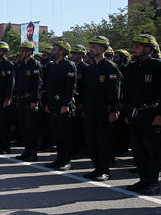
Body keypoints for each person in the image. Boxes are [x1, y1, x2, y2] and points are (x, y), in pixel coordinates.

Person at [123, 34, 161, 195]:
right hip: (134, 113)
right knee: (138, 149)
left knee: (152, 149)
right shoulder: (131, 67)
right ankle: (143, 179)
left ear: (148, 49)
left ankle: (153, 181)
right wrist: (126, 112)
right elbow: (127, 92)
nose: (134, 49)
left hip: (152, 113)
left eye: (138, 47)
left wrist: (159, 115)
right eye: (134, 46)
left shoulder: (157, 66)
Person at [82, 36, 121, 181]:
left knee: (102, 141)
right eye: (90, 45)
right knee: (90, 140)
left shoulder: (110, 67)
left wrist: (114, 110)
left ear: (102, 48)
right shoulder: (91, 68)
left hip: (104, 110)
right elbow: (86, 90)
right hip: (90, 109)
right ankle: (97, 168)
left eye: (94, 46)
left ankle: (105, 170)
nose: (91, 48)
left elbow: (115, 91)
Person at [43, 41, 76, 171]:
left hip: (63, 105)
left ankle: (66, 161)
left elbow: (70, 87)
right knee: (56, 133)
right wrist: (46, 103)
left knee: (65, 134)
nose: (52, 51)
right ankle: (59, 159)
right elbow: (46, 86)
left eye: (55, 49)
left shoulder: (69, 65)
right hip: (52, 104)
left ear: (61, 52)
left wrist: (66, 104)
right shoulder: (51, 66)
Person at [13, 42, 42, 162]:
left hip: (30, 99)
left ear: (30, 52)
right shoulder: (21, 66)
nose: (21, 53)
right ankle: (27, 150)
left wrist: (35, 101)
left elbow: (37, 85)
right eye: (20, 51)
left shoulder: (35, 64)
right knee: (23, 126)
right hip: (21, 99)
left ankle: (33, 152)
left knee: (31, 128)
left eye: (23, 51)